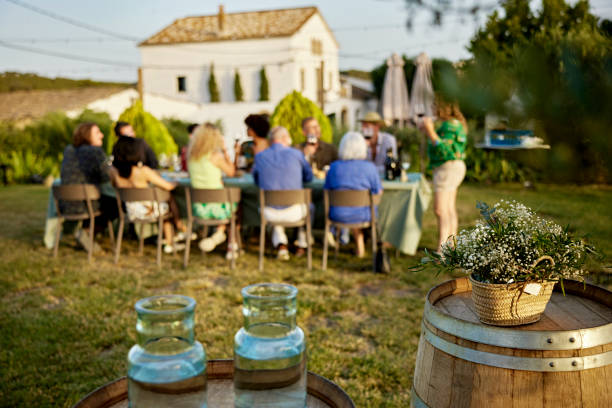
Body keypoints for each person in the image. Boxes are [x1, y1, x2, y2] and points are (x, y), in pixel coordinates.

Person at [110, 137, 187, 254]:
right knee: (168, 202)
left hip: (130, 211)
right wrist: (176, 181)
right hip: (149, 212)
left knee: (166, 202)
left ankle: (176, 232)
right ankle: (172, 239)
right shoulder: (143, 171)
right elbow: (168, 187)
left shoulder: (113, 171)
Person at [252, 126, 313, 260]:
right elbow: (309, 177)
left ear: (271, 140)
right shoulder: (297, 154)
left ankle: (281, 245)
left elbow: (256, 180)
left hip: (269, 213)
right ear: (285, 138)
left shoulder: (260, 156)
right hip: (294, 212)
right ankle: (302, 244)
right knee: (310, 207)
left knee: (273, 204)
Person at [417, 96, 467, 253]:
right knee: (449, 208)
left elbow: (444, 150)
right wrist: (429, 131)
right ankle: (451, 247)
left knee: (440, 209)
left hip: (447, 167)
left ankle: (442, 249)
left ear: (442, 107)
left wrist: (431, 131)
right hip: (454, 167)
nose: (432, 109)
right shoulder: (455, 124)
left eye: (434, 106)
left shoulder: (449, 126)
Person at [60, 122, 117, 251]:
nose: (102, 135)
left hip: (66, 203)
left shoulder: (69, 150)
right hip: (85, 203)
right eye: (97, 132)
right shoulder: (94, 151)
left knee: (104, 200)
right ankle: (86, 233)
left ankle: (85, 235)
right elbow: (105, 177)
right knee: (117, 204)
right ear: (86, 135)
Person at [324, 132, 382, 257]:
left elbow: (327, 191)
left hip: (337, 214)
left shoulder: (333, 167)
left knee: (353, 207)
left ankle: (356, 246)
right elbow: (378, 192)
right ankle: (362, 246)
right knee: (361, 207)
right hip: (364, 215)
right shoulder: (370, 168)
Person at [187, 123, 239, 259]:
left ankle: (219, 233)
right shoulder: (215, 156)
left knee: (227, 203)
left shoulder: (191, 156)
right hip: (218, 208)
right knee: (237, 205)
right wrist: (226, 151)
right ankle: (229, 242)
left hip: (199, 209)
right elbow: (232, 172)